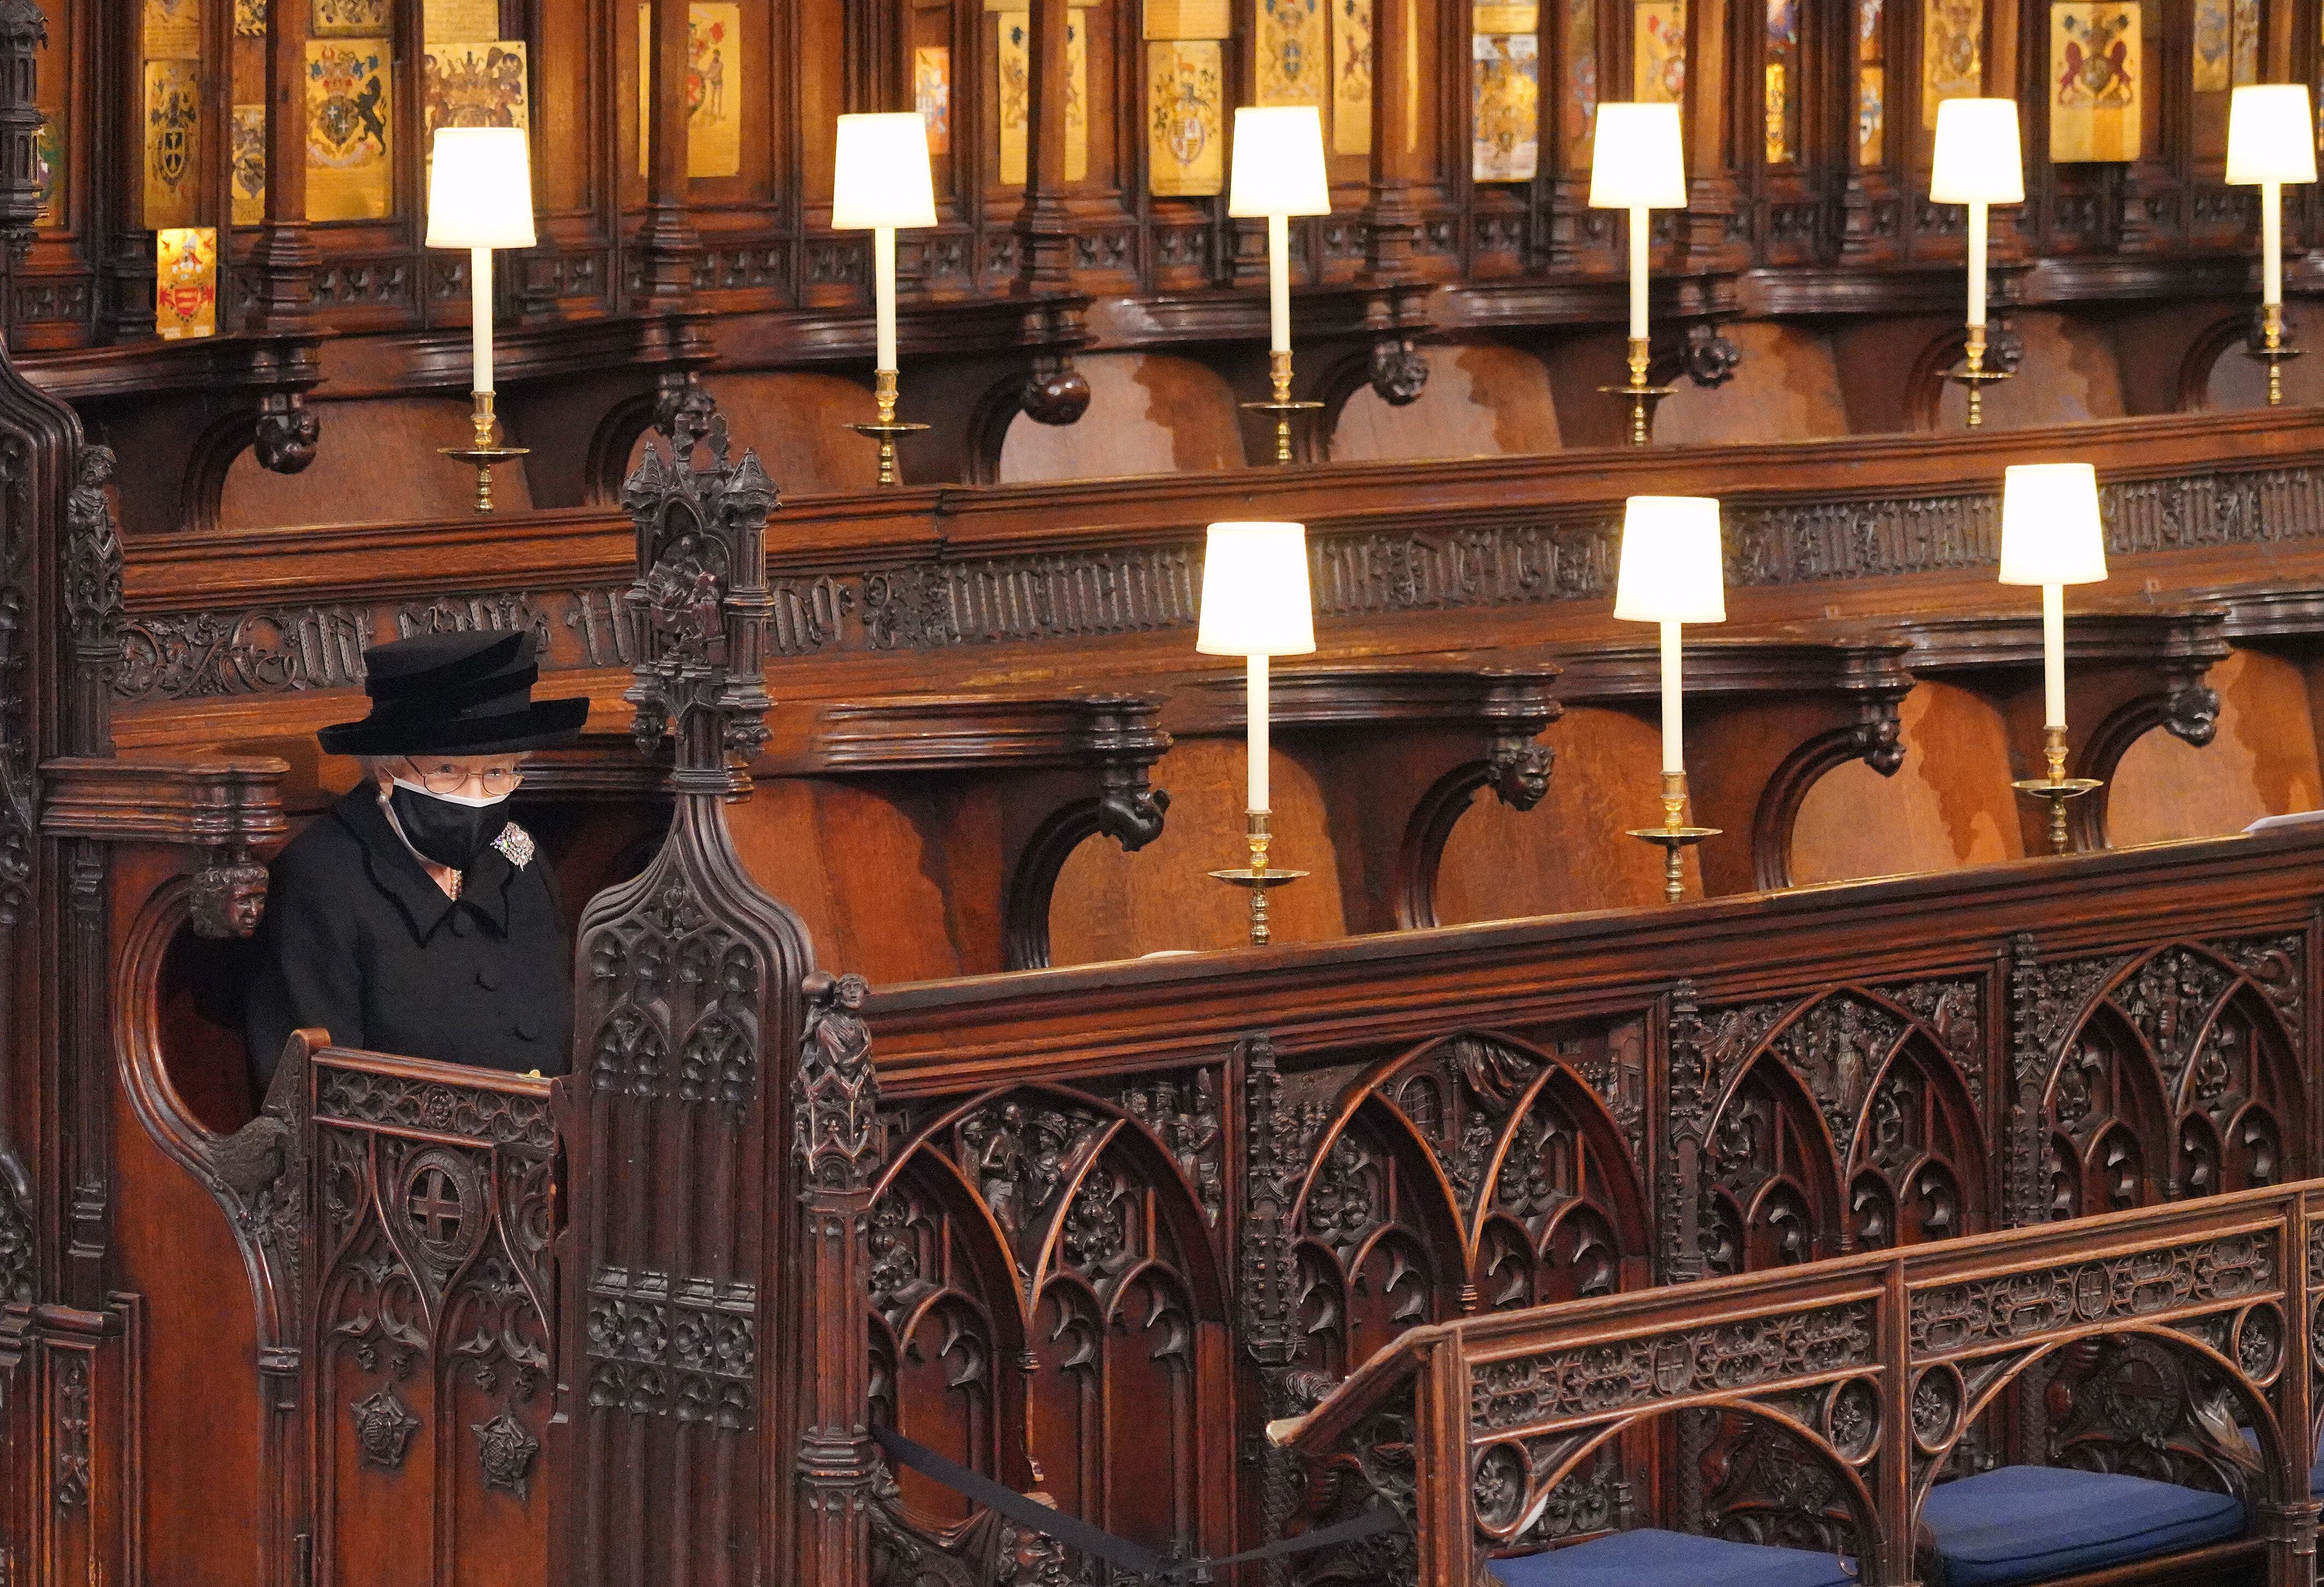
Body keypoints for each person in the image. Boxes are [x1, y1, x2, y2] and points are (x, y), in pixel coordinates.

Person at [244, 629, 589, 1087]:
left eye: (497, 772)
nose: (475, 797)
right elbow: (312, 1096)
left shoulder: (520, 860)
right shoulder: (322, 881)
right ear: (387, 771)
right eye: (448, 771)